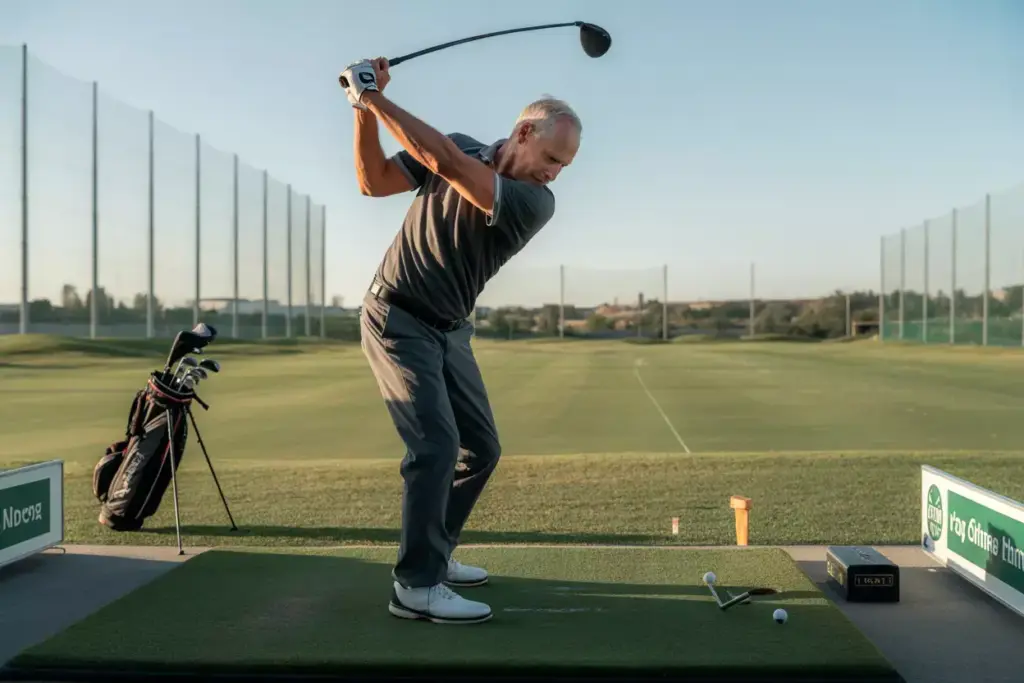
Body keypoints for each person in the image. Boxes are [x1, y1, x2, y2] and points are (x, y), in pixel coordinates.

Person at [339, 57, 581, 625]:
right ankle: (416, 585)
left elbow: (443, 162)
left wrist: (373, 96)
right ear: (524, 133)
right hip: (397, 316)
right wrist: (362, 110)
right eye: (552, 158)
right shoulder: (463, 145)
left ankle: (434, 554)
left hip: (449, 329)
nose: (555, 173)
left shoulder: (532, 202)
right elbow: (373, 182)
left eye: (565, 165)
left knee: (481, 449)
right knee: (435, 448)